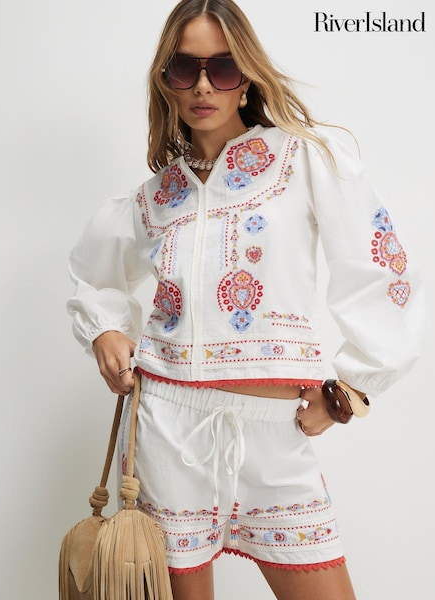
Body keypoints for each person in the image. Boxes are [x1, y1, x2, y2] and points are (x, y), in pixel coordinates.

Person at [67, 1, 423, 598]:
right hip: (166, 429)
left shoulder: (303, 159)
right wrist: (104, 329)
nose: (203, 85)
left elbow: (382, 270)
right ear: (166, 80)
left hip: (275, 434)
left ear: (248, 77)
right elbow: (92, 277)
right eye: (185, 68)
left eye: (224, 67)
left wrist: (351, 389)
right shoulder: (155, 198)